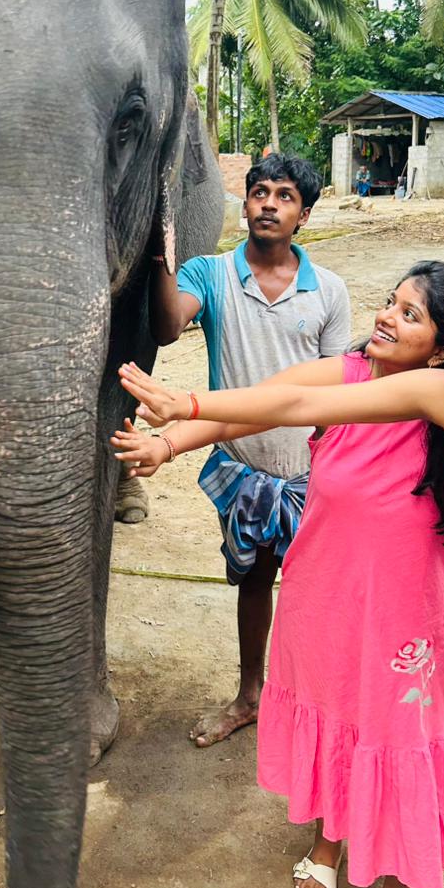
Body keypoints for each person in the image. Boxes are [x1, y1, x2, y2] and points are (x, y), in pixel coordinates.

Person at [118, 205, 444, 888]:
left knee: (404, 733)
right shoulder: (363, 379)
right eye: (392, 303)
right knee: (339, 711)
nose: (387, 319)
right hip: (327, 596)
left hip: (412, 615)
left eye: (413, 317)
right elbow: (282, 400)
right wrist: (177, 428)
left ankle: (406, 877)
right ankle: (332, 835)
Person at [148, 153, 350, 747]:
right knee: (255, 580)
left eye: (284, 196)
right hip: (244, 471)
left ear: (303, 215)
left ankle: (313, 704)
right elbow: (166, 327)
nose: (268, 203)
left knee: (315, 594)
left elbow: (340, 385)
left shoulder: (329, 291)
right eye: (259, 192)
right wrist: (161, 257)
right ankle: (250, 695)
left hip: (313, 473)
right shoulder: (209, 275)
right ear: (244, 204)